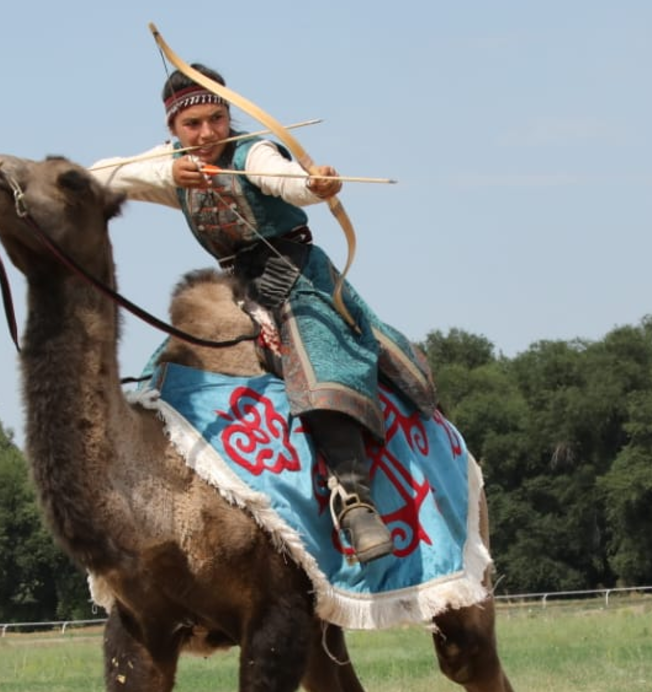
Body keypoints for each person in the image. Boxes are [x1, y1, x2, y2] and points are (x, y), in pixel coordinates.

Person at [90, 64, 439, 564]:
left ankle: (355, 499)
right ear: (172, 130)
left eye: (217, 119)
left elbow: (281, 177)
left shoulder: (251, 150)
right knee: (163, 378)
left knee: (319, 361)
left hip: (292, 273)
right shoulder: (174, 166)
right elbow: (96, 176)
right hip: (231, 287)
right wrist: (167, 172)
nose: (207, 133)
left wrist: (312, 184)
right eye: (192, 126)